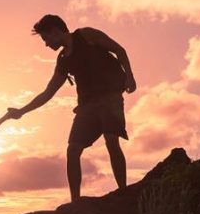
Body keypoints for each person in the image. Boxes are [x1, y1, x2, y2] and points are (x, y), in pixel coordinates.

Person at [7, 14, 137, 202]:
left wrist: (130, 76)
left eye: (45, 38)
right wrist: (21, 111)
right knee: (73, 150)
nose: (45, 44)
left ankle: (123, 192)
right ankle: (75, 202)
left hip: (110, 96)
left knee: (111, 140)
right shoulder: (63, 60)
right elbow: (48, 93)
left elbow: (119, 50)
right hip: (86, 107)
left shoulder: (87, 35)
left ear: (55, 31)